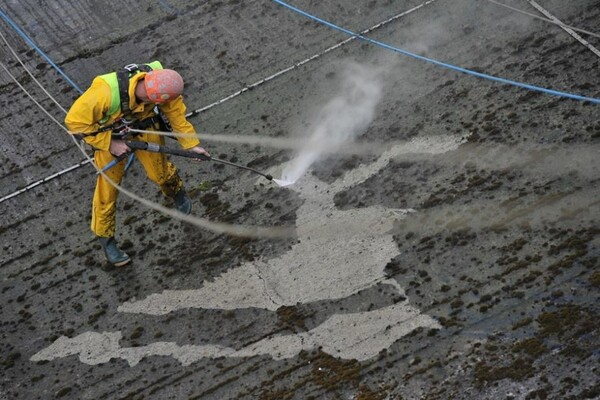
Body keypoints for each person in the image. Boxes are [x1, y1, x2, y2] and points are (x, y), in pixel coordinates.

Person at [65, 61, 209, 267]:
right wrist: (110, 143)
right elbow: (74, 123)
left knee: (160, 174)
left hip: (144, 127)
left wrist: (191, 145)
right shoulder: (104, 93)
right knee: (107, 192)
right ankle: (107, 240)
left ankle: (176, 192)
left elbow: (176, 115)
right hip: (108, 137)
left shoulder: (165, 84)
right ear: (151, 95)